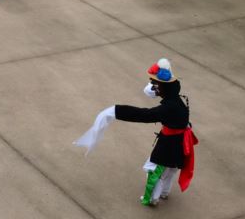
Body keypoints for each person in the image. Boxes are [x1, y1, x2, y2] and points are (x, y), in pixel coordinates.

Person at [73, 59, 197, 207]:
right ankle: (164, 192)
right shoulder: (176, 100)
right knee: (170, 169)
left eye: (156, 85)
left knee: (155, 170)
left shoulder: (168, 108)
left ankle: (151, 198)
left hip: (170, 144)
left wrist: (117, 111)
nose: (154, 88)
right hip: (178, 142)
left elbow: (144, 115)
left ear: (164, 87)